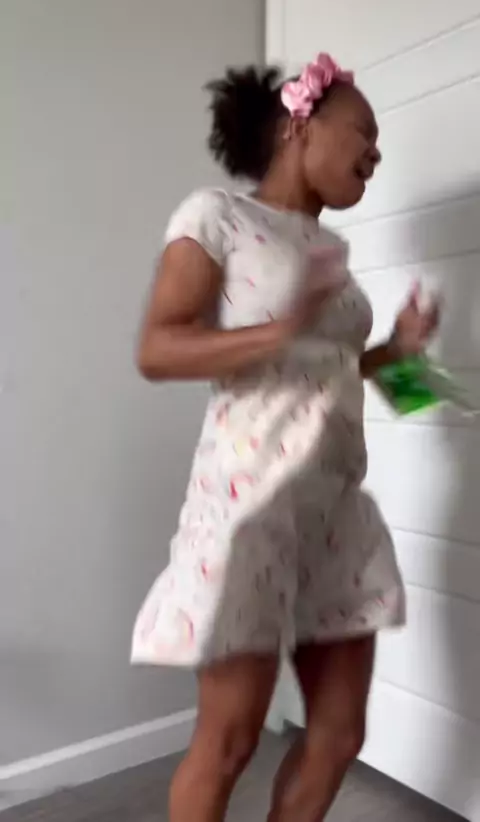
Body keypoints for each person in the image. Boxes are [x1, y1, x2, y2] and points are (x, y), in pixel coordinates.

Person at [131, 53, 439, 822]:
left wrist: (402, 356)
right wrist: (281, 328)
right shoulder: (217, 216)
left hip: (336, 515)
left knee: (338, 735)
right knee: (229, 741)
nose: (375, 154)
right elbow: (158, 349)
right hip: (250, 510)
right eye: (363, 133)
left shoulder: (333, 257)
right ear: (297, 126)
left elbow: (330, 370)